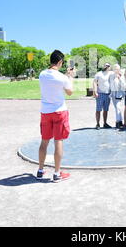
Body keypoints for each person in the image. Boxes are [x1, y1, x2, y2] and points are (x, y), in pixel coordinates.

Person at [37, 50, 74, 182]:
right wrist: (70, 77)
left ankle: (40, 171)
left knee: (44, 141)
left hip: (45, 111)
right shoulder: (62, 77)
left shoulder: (42, 74)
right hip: (59, 111)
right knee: (58, 141)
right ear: (59, 62)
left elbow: (53, 78)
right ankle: (57, 173)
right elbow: (70, 92)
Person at [93, 63, 113, 129]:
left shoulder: (111, 73)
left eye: (108, 66)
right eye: (105, 65)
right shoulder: (99, 74)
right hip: (100, 93)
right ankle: (98, 124)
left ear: (110, 67)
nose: (106, 67)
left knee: (106, 110)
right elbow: (95, 82)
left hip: (108, 94)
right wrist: (95, 91)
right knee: (98, 110)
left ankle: (105, 123)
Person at [109, 64, 126, 129]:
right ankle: (119, 121)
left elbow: (123, 85)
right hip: (113, 94)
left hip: (119, 94)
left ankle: (118, 121)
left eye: (117, 69)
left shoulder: (121, 76)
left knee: (118, 107)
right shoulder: (111, 76)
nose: (116, 70)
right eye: (115, 69)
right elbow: (111, 85)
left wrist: (119, 78)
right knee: (116, 108)